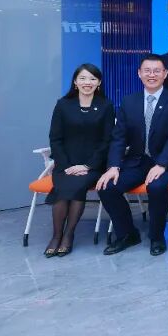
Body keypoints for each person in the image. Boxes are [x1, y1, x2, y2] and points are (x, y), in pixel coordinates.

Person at [96, 54, 168, 257]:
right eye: (147, 70)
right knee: (107, 186)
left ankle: (157, 236)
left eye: (157, 71)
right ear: (139, 73)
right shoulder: (129, 101)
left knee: (156, 186)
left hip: (167, 162)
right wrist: (113, 166)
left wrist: (162, 164)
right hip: (137, 161)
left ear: (165, 74)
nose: (151, 75)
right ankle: (127, 234)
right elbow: (119, 137)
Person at [44, 64, 114, 258]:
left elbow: (107, 140)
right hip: (65, 165)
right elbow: (55, 138)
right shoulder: (63, 105)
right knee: (64, 185)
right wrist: (66, 165)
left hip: (92, 165)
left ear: (98, 83)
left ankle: (68, 234)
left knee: (76, 186)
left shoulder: (106, 106)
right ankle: (56, 236)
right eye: (82, 78)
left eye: (92, 79)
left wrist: (87, 165)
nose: (87, 82)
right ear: (75, 81)